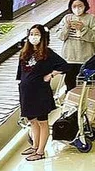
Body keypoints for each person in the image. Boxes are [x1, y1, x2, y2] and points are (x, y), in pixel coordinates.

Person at [17, 25, 67, 162]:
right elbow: (21, 74)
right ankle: (35, 146)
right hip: (26, 92)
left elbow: (64, 65)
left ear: (42, 37)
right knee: (32, 121)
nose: (33, 37)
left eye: (37, 34)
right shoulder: (24, 53)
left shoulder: (47, 53)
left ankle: (40, 151)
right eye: (31, 34)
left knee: (42, 121)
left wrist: (51, 74)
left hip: (40, 92)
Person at [58, 0, 95, 92]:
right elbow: (61, 36)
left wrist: (83, 28)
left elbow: (94, 37)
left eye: (80, 6)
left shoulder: (91, 18)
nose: (77, 8)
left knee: (88, 87)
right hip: (70, 58)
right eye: (74, 6)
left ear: (85, 5)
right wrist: (67, 27)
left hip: (86, 59)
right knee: (70, 84)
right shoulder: (67, 18)